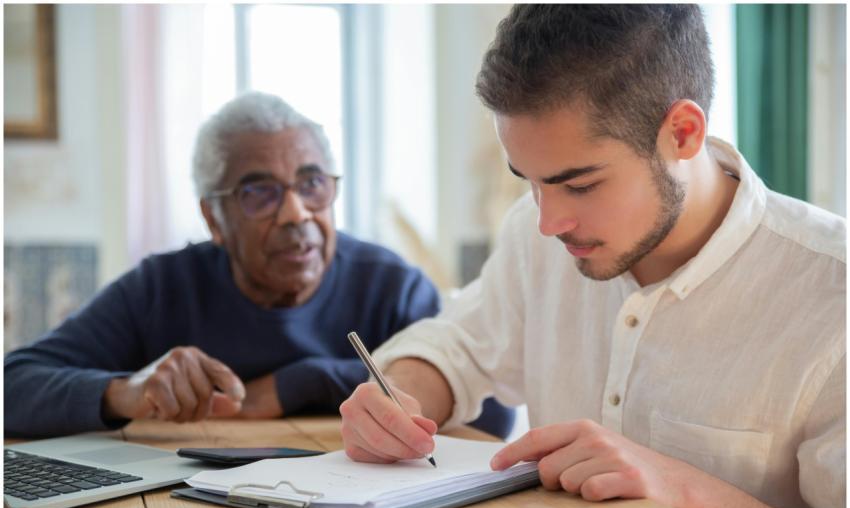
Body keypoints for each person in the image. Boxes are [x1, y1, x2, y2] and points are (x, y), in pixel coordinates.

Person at [338, 5, 845, 508]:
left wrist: (683, 490)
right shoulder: (537, 239)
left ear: (683, 133)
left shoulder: (831, 295)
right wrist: (397, 399)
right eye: (528, 182)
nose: (547, 222)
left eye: (579, 185)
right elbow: (456, 346)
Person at [4, 92, 514, 440]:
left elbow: (490, 411)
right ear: (214, 218)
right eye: (260, 193)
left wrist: (303, 381)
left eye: (313, 184)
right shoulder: (163, 287)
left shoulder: (390, 286)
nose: (296, 214)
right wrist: (125, 391)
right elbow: (14, 385)